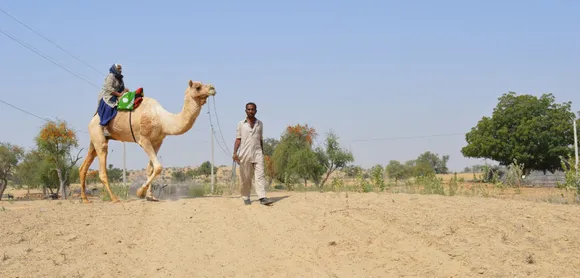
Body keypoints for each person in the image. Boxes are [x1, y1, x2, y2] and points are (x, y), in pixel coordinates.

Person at [233, 102, 274, 206]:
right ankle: (246, 196)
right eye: (249, 109)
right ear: (246, 111)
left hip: (257, 152)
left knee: (260, 175)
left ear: (256, 111)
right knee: (246, 177)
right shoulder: (241, 124)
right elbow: (238, 139)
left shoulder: (260, 124)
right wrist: (235, 153)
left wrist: (262, 151)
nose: (251, 111)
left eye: (253, 109)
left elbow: (260, 139)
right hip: (245, 153)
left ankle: (262, 197)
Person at [97, 63, 129, 137]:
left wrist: (125, 91)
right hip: (107, 95)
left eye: (121, 69)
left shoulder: (120, 78)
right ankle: (104, 126)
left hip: (116, 95)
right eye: (118, 69)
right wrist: (119, 94)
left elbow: (122, 88)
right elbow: (109, 88)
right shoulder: (111, 76)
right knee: (109, 107)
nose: (120, 70)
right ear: (114, 68)